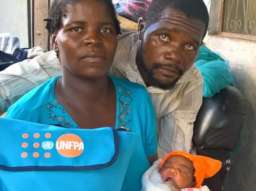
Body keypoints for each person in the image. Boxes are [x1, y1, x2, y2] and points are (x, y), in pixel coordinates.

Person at [0, 0, 209, 156]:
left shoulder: (188, 84)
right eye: (164, 36)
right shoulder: (101, 52)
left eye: (190, 46)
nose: (174, 55)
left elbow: (170, 155)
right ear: (141, 28)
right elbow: (31, 73)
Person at [4, 0, 157, 190]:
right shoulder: (26, 117)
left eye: (106, 30)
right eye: (77, 29)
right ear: (55, 41)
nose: (93, 39)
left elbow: (153, 174)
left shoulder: (138, 101)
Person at [142, 151, 222, 191]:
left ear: (193, 182)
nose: (172, 169)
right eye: (167, 166)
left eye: (182, 170)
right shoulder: (152, 182)